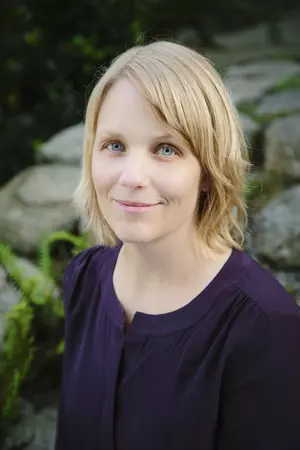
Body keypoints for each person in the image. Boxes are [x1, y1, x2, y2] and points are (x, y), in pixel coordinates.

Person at [55, 41, 300, 450]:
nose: (132, 175)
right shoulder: (85, 279)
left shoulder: (265, 326)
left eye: (165, 149)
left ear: (208, 169)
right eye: (114, 145)